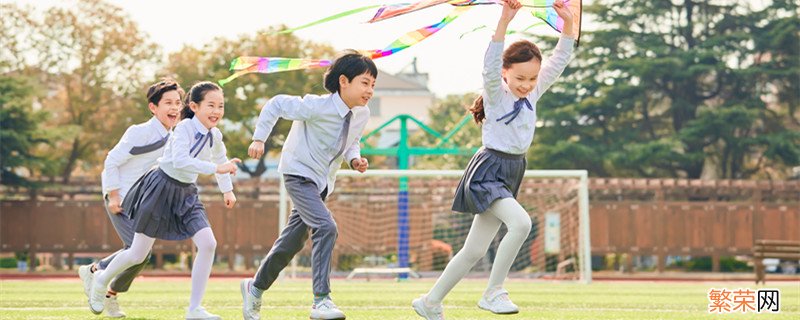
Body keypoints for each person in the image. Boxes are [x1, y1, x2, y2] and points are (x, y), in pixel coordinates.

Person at [413, 0, 576, 318]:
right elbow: (489, 61)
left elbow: (560, 59)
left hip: (513, 170)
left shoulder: (533, 93)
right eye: (520, 79)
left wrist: (568, 23)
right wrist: (505, 18)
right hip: (489, 170)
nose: (526, 85)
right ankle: (493, 291)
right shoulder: (496, 91)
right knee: (521, 223)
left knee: (474, 249)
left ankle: (429, 302)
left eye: (532, 79)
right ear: (505, 73)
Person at [240, 50, 377, 320]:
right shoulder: (316, 106)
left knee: (291, 242)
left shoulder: (361, 114)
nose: (370, 90)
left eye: (373, 84)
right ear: (343, 81)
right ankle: (321, 301)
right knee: (326, 227)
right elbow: (276, 104)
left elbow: (351, 140)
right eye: (365, 82)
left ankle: (254, 288)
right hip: (298, 174)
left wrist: (355, 159)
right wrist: (259, 138)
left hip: (322, 183)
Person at [87, 81, 240, 320]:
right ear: (194, 106)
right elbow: (180, 161)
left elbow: (221, 157)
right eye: (210, 105)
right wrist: (217, 169)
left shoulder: (215, 134)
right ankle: (101, 278)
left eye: (220, 106)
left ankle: (194, 310)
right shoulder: (183, 129)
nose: (216, 111)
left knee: (208, 244)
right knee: (138, 254)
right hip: (160, 189)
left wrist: (227, 191)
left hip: (187, 193)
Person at [78, 79, 183, 318]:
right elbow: (111, 161)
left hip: (142, 202)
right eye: (168, 102)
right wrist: (114, 196)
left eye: (177, 102)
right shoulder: (139, 132)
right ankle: (100, 280)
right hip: (121, 197)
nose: (174, 107)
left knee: (138, 255)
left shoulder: (175, 136)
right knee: (138, 253)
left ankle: (97, 275)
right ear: (153, 107)